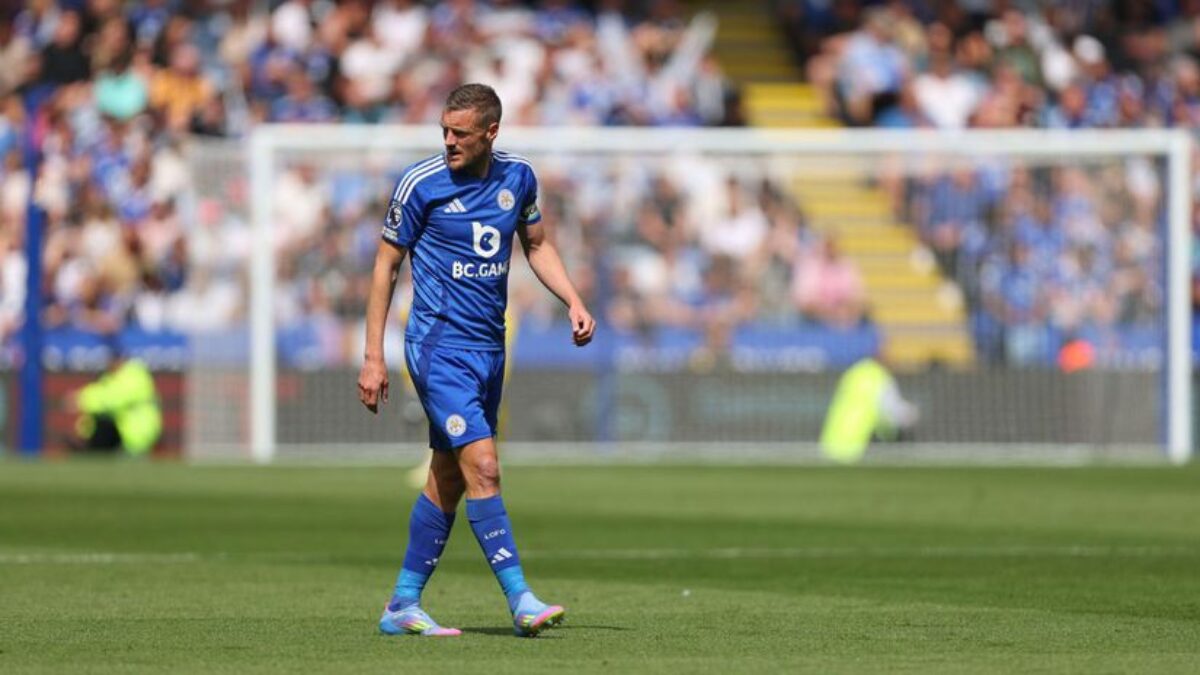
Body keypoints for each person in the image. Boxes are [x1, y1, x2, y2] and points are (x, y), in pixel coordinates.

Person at [357, 83, 595, 638]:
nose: (447, 141)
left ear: (492, 132)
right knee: (484, 465)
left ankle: (402, 604)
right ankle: (521, 599)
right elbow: (384, 268)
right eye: (443, 130)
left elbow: (536, 245)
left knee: (448, 475)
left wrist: (574, 300)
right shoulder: (421, 185)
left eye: (459, 133)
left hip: (490, 348)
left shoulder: (519, 178)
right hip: (438, 349)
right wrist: (372, 356)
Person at [69, 337, 162, 456]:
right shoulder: (111, 377)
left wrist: (80, 400)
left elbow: (112, 399)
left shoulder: (134, 374)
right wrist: (81, 432)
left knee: (103, 422)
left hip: (136, 438)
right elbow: (99, 394)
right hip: (123, 435)